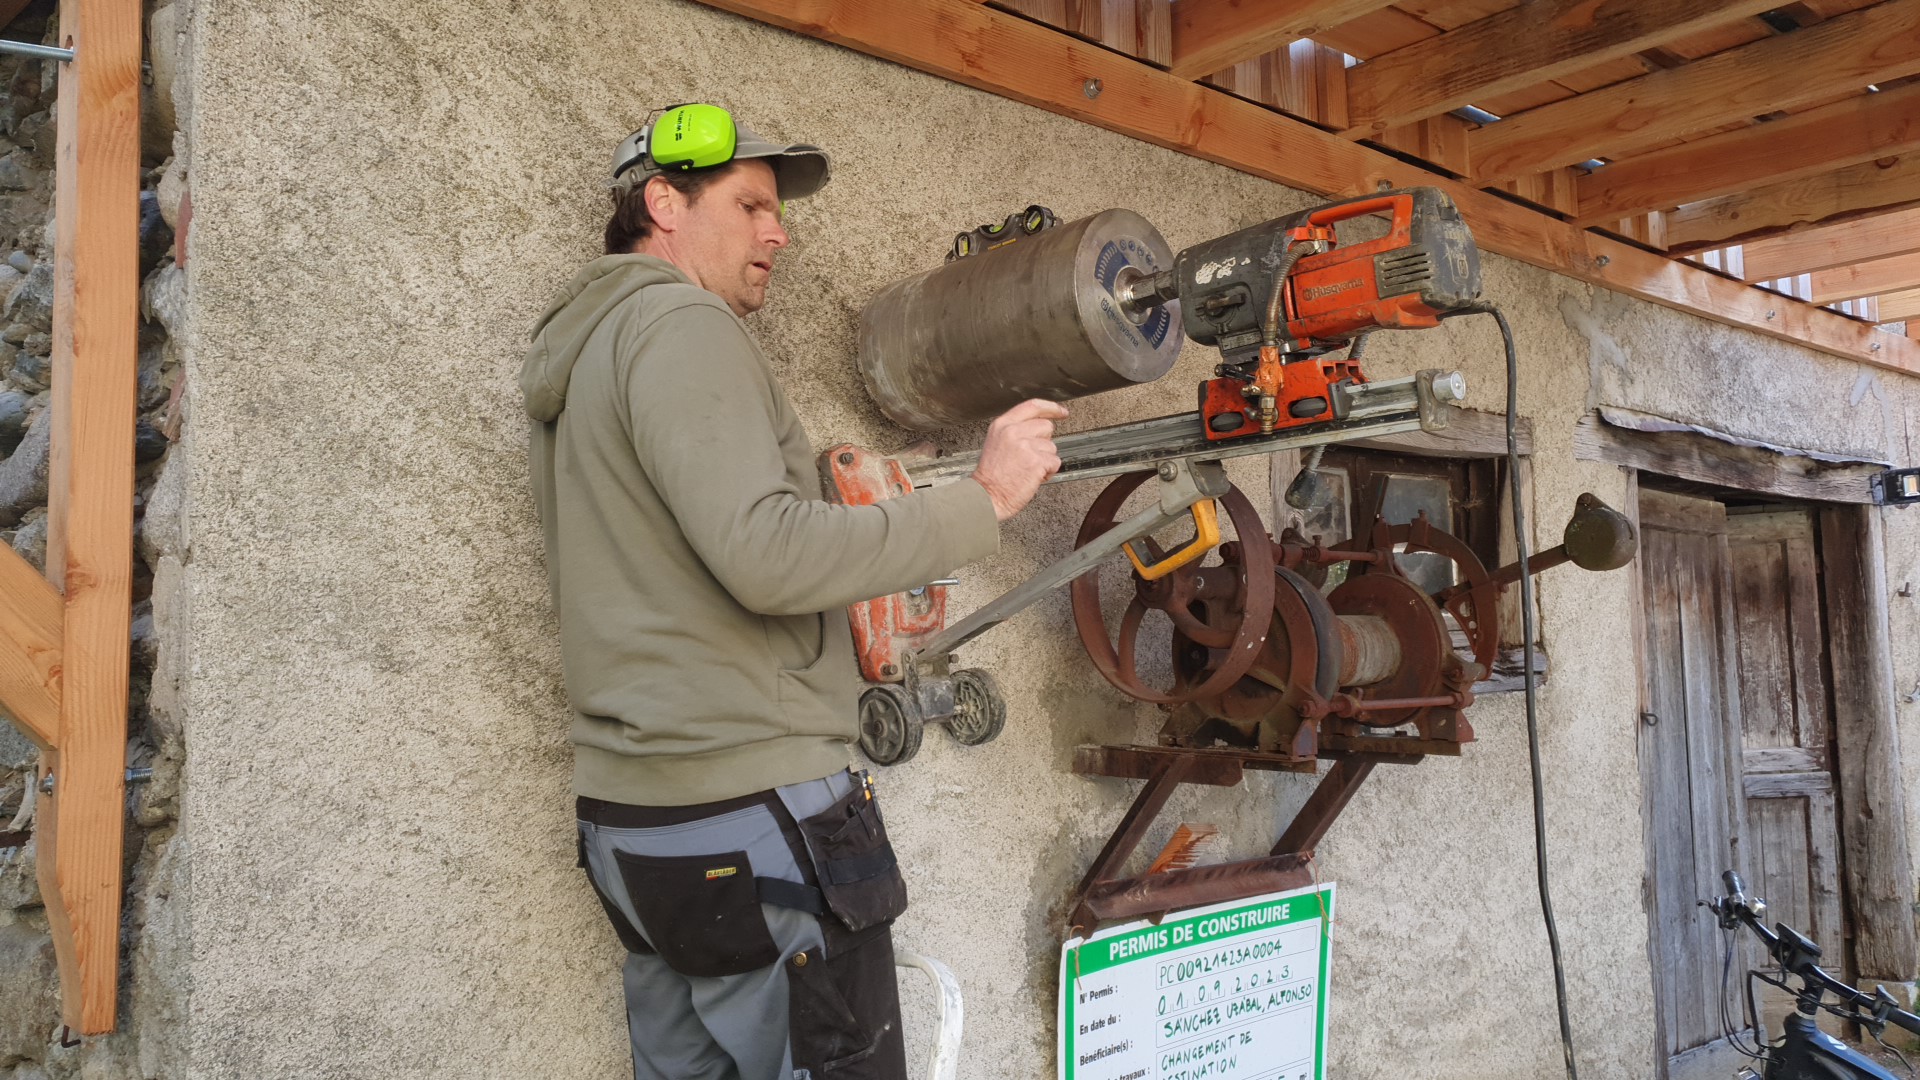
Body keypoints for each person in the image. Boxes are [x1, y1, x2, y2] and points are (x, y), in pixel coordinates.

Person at [519, 104, 1064, 1080]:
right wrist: (985, 499)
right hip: (748, 810)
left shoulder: (593, 348)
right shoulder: (681, 324)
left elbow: (689, 549)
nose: (780, 231)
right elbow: (765, 554)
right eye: (753, 204)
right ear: (663, 202)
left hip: (635, 826)